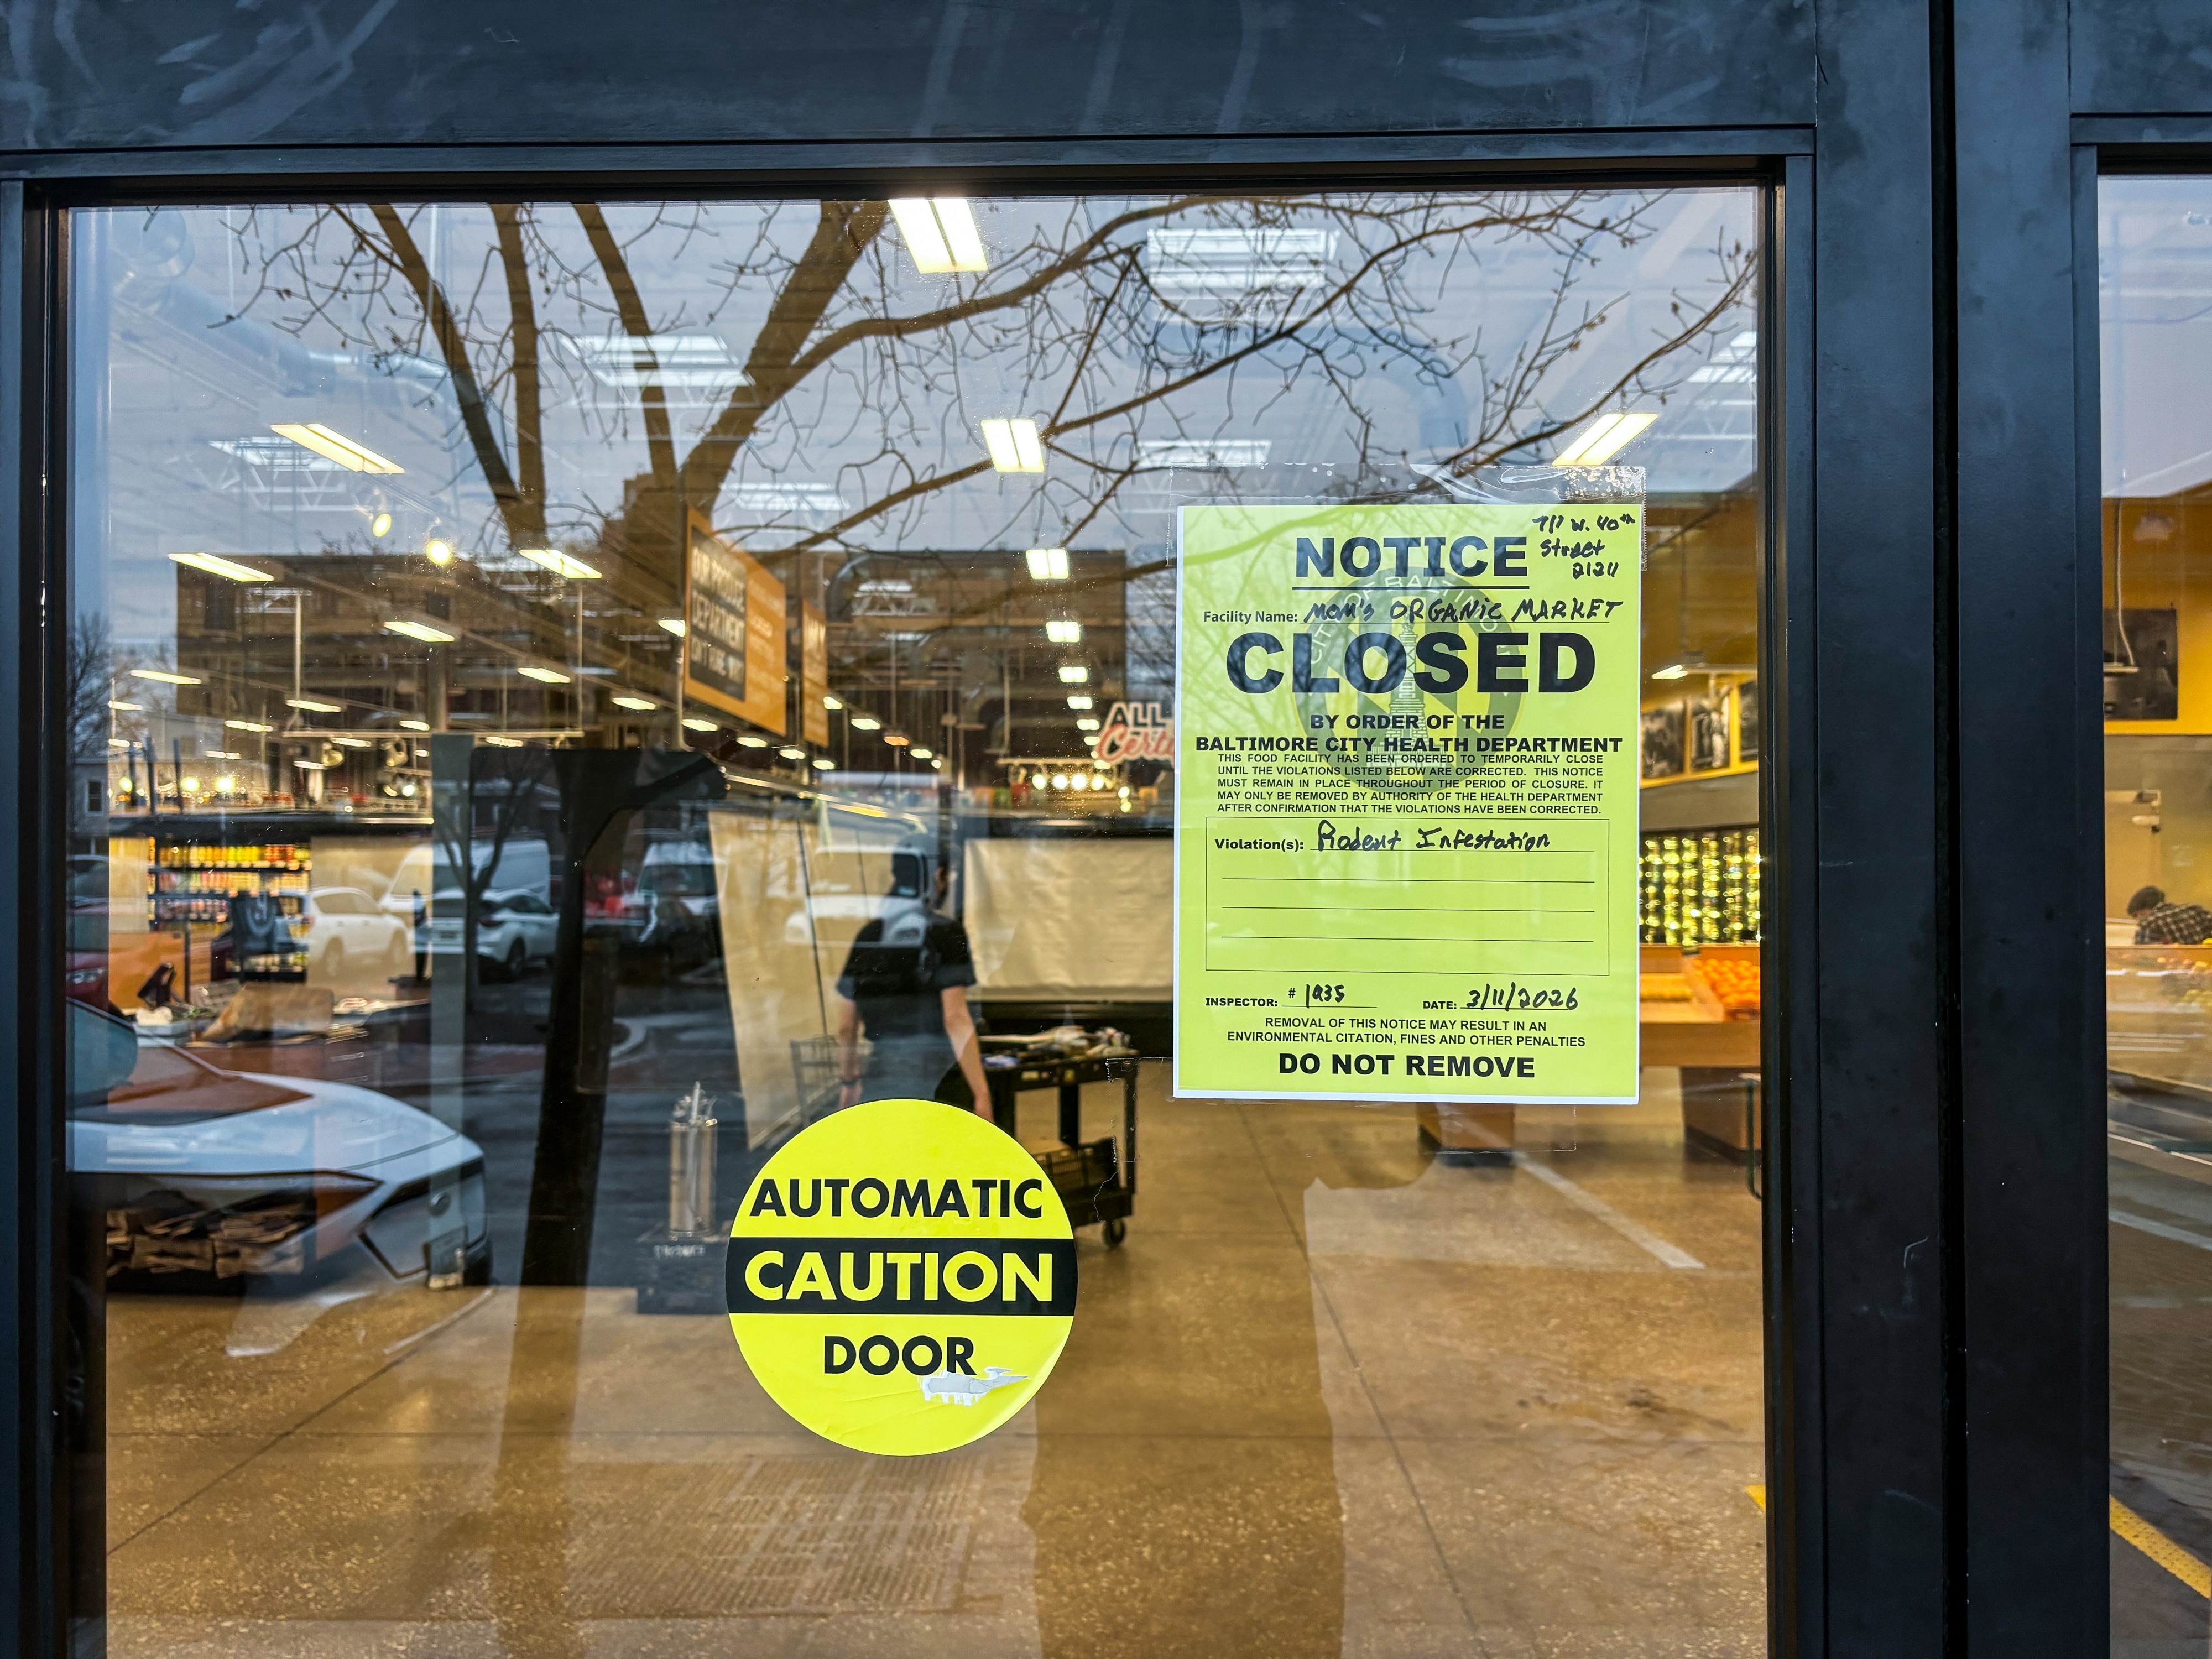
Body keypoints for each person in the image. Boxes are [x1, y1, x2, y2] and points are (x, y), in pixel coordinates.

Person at [834, 838, 991, 1117]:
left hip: (882, 1078)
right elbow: (955, 1019)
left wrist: (850, 1081)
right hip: (938, 1077)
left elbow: (846, 1027)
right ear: (937, 875)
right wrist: (981, 1094)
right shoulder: (945, 933)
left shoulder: (870, 935)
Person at [2128, 885, 2212, 946]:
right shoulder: (2194, 909)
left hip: (2173, 966)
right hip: (2203, 965)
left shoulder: (2149, 923)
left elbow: (2142, 955)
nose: (2138, 920)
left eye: (2136, 915)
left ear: (2143, 909)